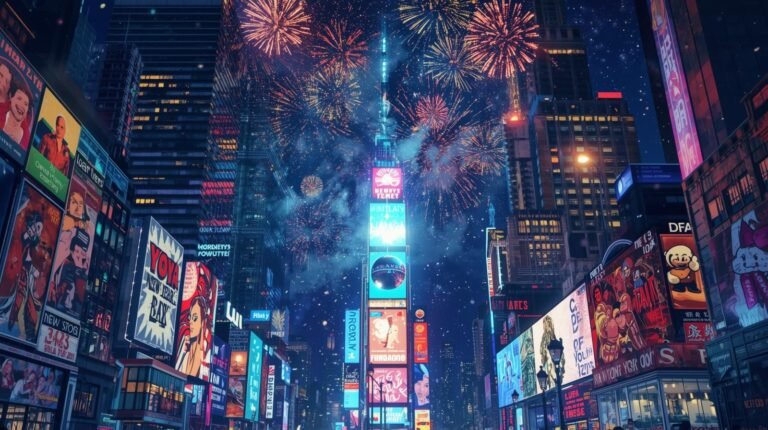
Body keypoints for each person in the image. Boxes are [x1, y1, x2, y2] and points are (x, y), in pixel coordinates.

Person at [175, 296, 208, 377]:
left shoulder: (202, 357)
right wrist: (183, 352)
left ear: (202, 322)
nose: (190, 322)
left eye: (195, 318)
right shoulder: (186, 349)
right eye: (190, 317)